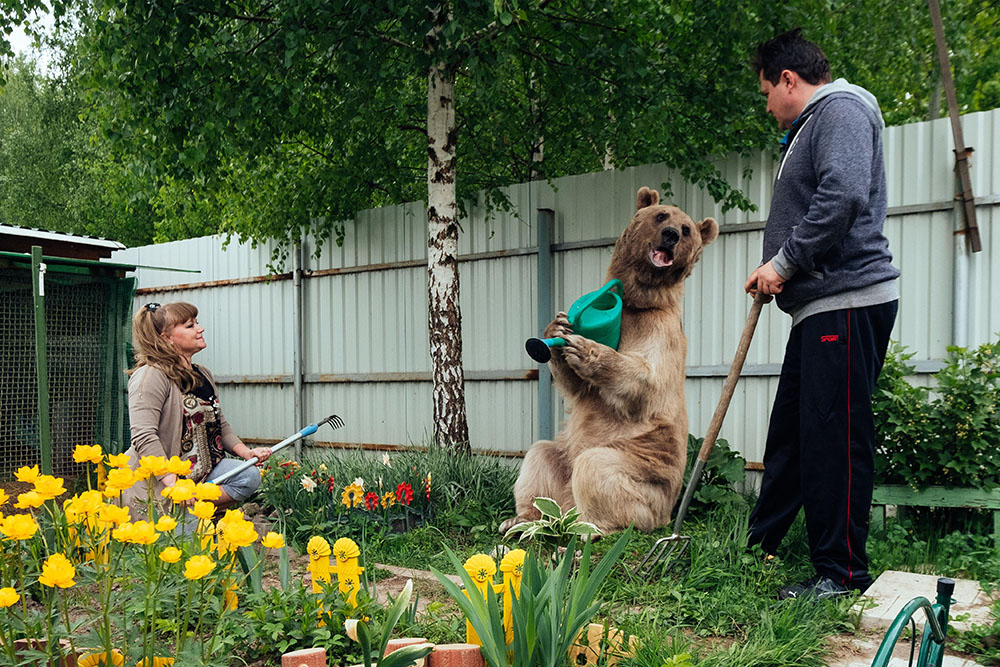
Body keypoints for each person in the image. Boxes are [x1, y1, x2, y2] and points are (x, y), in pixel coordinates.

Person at [744, 28, 899, 600]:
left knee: (835, 438)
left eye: (766, 92)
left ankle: (842, 573)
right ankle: (761, 544)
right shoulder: (817, 124)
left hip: (849, 301)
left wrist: (782, 264)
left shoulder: (842, 111)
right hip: (821, 307)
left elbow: (843, 195)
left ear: (789, 80)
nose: (767, 106)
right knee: (794, 433)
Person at [121, 301, 272, 517]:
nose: (200, 329)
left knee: (247, 475)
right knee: (183, 548)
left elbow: (220, 424)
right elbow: (144, 435)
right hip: (161, 484)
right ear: (166, 337)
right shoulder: (151, 376)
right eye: (190, 326)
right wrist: (172, 481)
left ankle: (197, 508)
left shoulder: (203, 374)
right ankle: (186, 512)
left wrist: (246, 453)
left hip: (201, 474)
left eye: (197, 323)